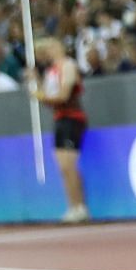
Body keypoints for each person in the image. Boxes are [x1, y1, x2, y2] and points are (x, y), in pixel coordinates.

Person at [34, 38, 89, 224]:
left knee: (68, 165)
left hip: (72, 118)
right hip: (60, 119)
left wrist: (44, 96)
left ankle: (80, 206)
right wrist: (38, 87)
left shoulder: (68, 66)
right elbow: (48, 98)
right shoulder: (50, 72)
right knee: (63, 167)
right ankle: (73, 206)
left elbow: (64, 95)